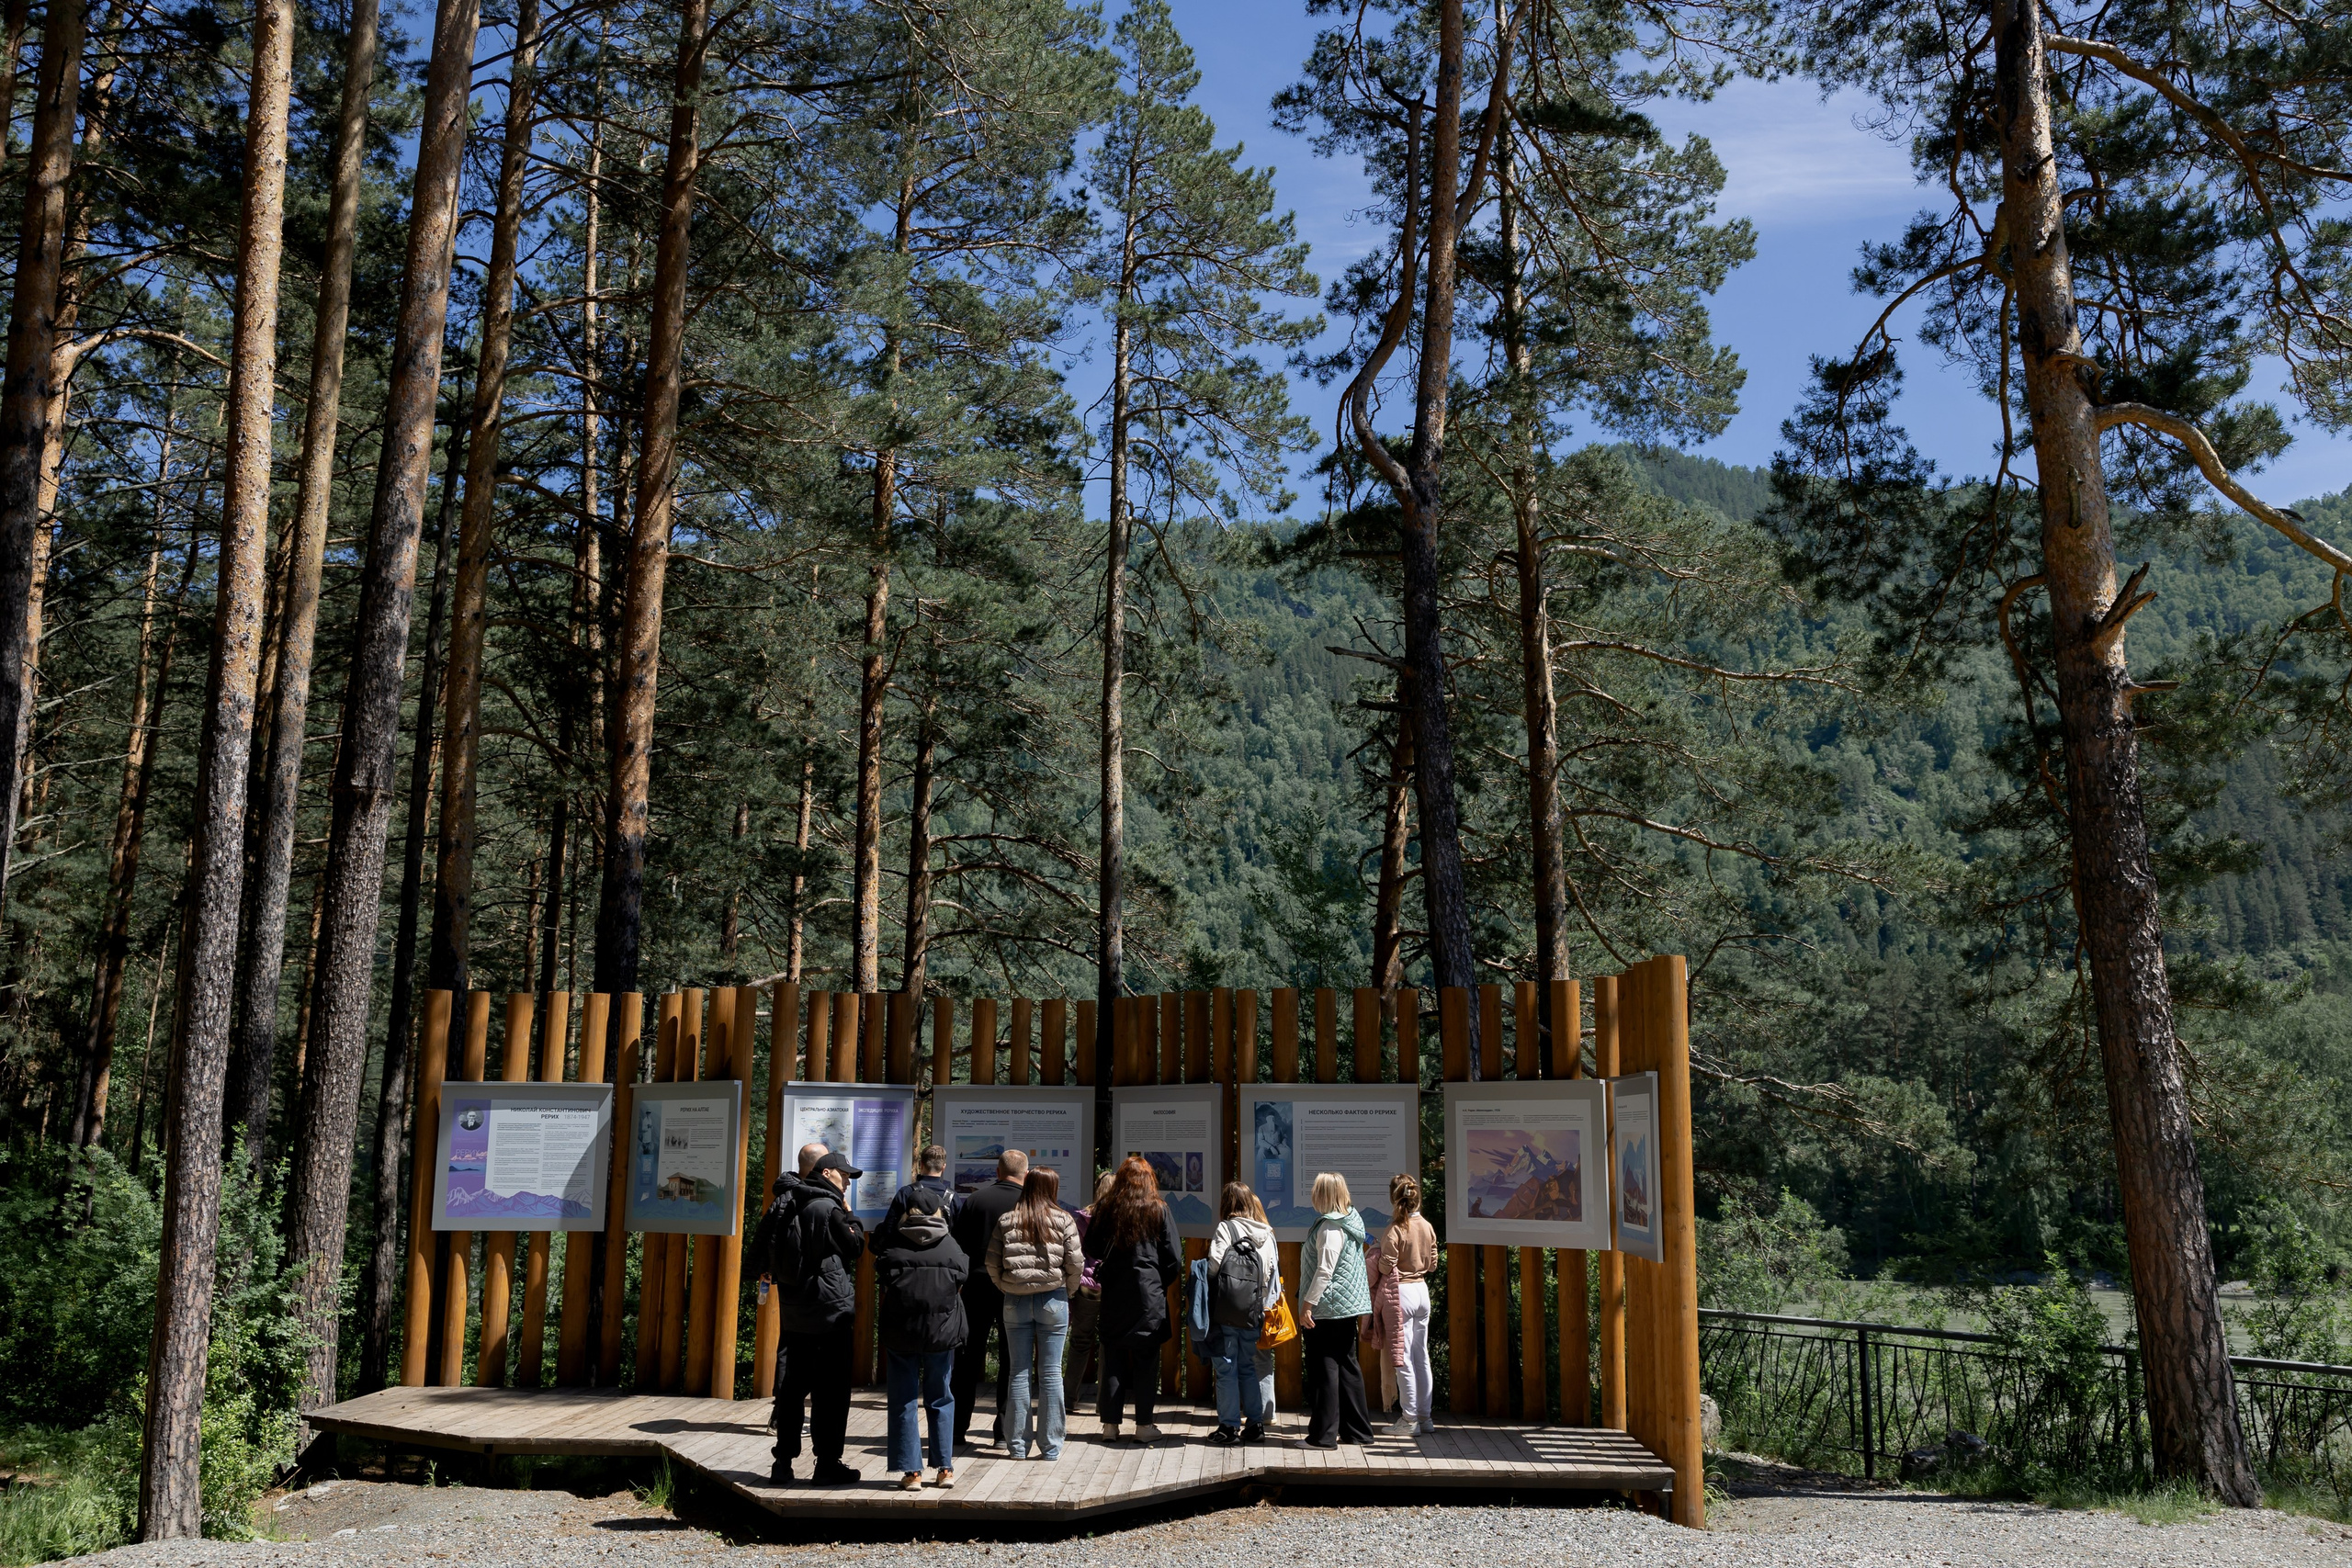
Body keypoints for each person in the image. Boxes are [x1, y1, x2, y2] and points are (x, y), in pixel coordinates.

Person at [757, 1143, 866, 1484]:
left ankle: (783, 1464)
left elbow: (764, 1250)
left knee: (792, 1389)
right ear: (826, 1171)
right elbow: (855, 1248)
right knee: (830, 1391)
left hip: (794, 1309)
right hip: (829, 1311)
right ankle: (827, 1464)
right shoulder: (826, 1206)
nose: (847, 1181)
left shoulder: (783, 1201)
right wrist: (851, 1215)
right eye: (844, 1175)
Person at [1082, 1155, 1182, 1443]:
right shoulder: (1158, 1209)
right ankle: (1143, 1426)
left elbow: (1092, 1246)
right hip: (1147, 1295)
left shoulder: (1107, 1208)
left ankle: (1110, 1426)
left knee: (1112, 1356)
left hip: (1114, 1291)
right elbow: (1174, 1257)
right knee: (1146, 1360)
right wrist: (1158, 1282)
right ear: (1149, 1180)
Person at [985, 1166, 1083, 1460]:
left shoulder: (1007, 1220)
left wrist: (1004, 1284)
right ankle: (1051, 1447)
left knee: (1018, 1372)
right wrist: (1068, 1290)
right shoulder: (1063, 1219)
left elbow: (992, 1261)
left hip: (1014, 1299)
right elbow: (1075, 1263)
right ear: (1052, 1189)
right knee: (1051, 1373)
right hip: (1053, 1300)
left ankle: (1017, 1446)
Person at [875, 1185, 967, 1490]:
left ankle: (912, 1473)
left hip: (902, 1333)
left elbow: (883, 1277)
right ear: (939, 1211)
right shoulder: (951, 1246)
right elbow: (960, 1281)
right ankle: (945, 1469)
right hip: (941, 1333)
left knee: (902, 1399)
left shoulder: (892, 1248)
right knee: (941, 1396)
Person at [948, 1147, 1027, 1447]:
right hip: (1014, 1288)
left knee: (968, 1358)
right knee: (1011, 1358)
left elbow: (959, 1245)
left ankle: (956, 1430)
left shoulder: (975, 1200)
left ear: (997, 1172)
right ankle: (1003, 1433)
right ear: (1025, 1174)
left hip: (976, 1286)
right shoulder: (1027, 1203)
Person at [1298, 1171, 1374, 1449]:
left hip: (1328, 1308)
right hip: (1347, 1307)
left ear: (1324, 1195)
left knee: (1325, 1370)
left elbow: (1324, 1271)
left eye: (1316, 1190)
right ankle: (1358, 1433)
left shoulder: (1330, 1228)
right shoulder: (1352, 1221)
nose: (1312, 1195)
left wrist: (1308, 1304)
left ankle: (1323, 1436)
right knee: (1347, 1367)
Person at [1204, 1181, 1279, 1445]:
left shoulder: (1227, 1227)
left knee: (1225, 1367)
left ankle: (1228, 1427)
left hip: (1226, 1309)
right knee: (1248, 1366)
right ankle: (1255, 1425)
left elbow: (1214, 1265)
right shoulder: (1267, 1233)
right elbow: (1271, 1273)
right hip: (1253, 1311)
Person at [1369, 1171, 1438, 1438]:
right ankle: (1425, 1416)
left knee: (1402, 1358)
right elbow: (1432, 1264)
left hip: (1401, 1294)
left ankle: (1409, 1419)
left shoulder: (1396, 1229)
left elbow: (1386, 1264)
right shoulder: (1427, 1226)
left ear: (1393, 1198)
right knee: (1421, 1357)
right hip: (1422, 1291)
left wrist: (1376, 1250)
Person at [1065, 1169, 1114, 1404]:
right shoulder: (1120, 1218)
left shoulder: (1082, 1219)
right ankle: (1104, 1402)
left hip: (1087, 1288)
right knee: (1108, 1343)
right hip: (1112, 1287)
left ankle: (1068, 1396)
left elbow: (1077, 1254)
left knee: (1080, 1342)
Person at [877, 1143, 958, 1243]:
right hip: (943, 1253)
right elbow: (960, 1232)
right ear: (943, 1167)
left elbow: (889, 1228)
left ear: (921, 1164)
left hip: (908, 1251)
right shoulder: (953, 1197)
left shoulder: (906, 1192)